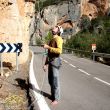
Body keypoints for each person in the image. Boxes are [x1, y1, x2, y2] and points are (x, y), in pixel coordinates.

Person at [43, 26, 63, 105]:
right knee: (50, 80)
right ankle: (52, 95)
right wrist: (45, 64)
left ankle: (56, 99)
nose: (53, 28)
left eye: (55, 28)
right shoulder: (51, 40)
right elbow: (48, 54)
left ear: (58, 31)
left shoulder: (59, 39)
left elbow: (59, 51)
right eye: (53, 28)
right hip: (50, 61)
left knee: (55, 81)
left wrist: (48, 47)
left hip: (55, 61)